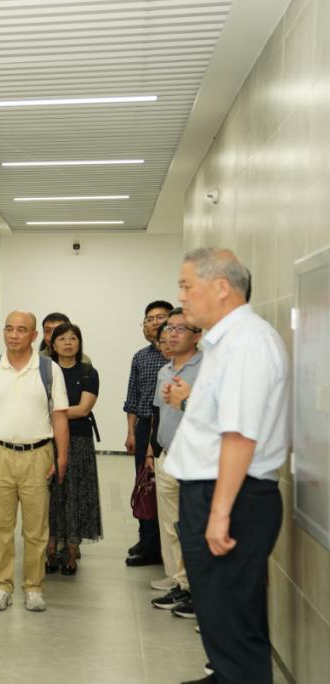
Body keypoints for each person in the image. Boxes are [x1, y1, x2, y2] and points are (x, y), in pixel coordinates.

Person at [164, 249, 287, 684]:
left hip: (232, 494)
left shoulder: (247, 343)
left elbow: (239, 435)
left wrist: (219, 514)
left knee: (231, 611)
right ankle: (225, 675)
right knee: (221, 610)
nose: (181, 297)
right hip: (217, 491)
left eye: (186, 286)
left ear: (220, 287)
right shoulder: (225, 342)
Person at [0, 311, 70, 612]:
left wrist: (61, 457)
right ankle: (0, 586)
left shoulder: (49, 369)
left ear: (34, 335)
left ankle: (34, 587)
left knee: (36, 528)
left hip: (38, 456)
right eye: (9, 329)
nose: (13, 335)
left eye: (21, 330)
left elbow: (59, 416)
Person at [147, 309, 204, 620]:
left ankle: (198, 590)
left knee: (192, 529)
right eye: (169, 328)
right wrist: (153, 451)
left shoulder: (207, 368)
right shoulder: (165, 370)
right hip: (167, 455)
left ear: (197, 336)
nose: (171, 334)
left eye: (181, 329)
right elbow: (159, 413)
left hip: (196, 460)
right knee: (171, 528)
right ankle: (182, 584)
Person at [44, 322, 102, 576]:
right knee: (49, 495)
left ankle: (71, 550)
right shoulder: (44, 371)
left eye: (73, 338)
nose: (68, 343)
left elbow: (83, 409)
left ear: (79, 343)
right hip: (47, 440)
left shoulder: (89, 372)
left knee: (75, 495)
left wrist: (53, 413)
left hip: (78, 441)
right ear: (52, 345)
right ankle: (49, 547)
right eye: (62, 338)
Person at [122, 298, 174, 566]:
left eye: (159, 317)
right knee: (144, 485)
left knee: (164, 488)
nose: (154, 323)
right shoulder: (140, 357)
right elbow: (132, 398)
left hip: (168, 426)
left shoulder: (176, 356)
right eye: (149, 319)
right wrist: (131, 432)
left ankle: (159, 546)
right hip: (144, 427)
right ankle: (147, 540)